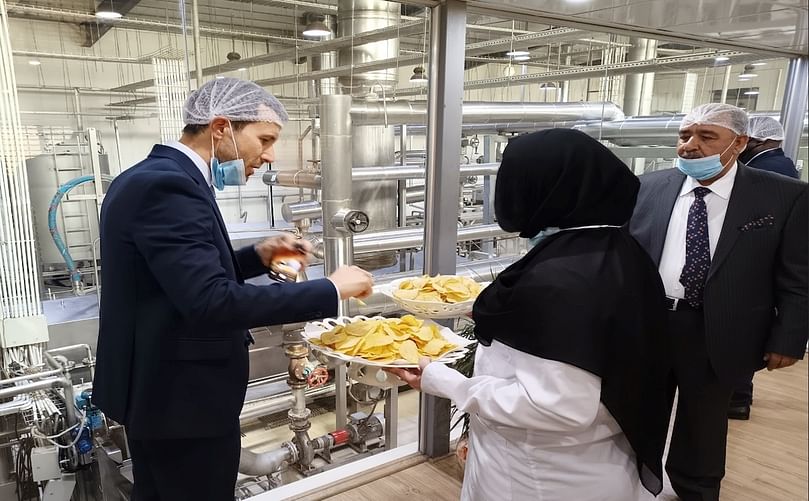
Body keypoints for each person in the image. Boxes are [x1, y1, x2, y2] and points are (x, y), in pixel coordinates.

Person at [93, 77, 374, 501]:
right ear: (221, 127)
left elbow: (176, 281)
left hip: (167, 397)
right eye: (264, 139)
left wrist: (256, 256)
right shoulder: (167, 186)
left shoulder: (158, 177)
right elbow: (211, 302)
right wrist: (331, 290)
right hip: (181, 403)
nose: (268, 155)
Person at [389, 129, 671, 501]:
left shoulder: (561, 279)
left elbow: (558, 408)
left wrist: (444, 380)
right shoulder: (615, 251)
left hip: (540, 476)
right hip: (593, 460)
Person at [629, 103, 808, 501]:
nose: (691, 146)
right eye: (685, 135)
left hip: (719, 328)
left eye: (707, 136)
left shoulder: (784, 196)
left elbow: (798, 276)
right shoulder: (649, 186)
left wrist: (789, 337)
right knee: (642, 417)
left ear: (740, 143)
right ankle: (637, 487)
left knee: (704, 425)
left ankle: (696, 491)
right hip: (652, 324)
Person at [730, 115, 801, 419]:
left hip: (751, 275)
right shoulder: (782, 165)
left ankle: (737, 398)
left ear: (754, 140)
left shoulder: (765, 172)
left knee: (736, 342)